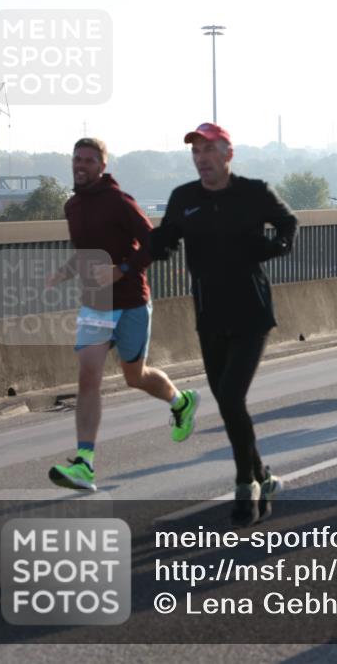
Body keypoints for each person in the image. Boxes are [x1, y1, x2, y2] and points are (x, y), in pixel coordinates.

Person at [150, 123, 297, 527]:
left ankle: (243, 485)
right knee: (228, 404)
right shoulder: (184, 198)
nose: (201, 159)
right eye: (195, 152)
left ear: (227, 154)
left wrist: (272, 248)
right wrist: (149, 249)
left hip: (251, 312)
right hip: (209, 314)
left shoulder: (254, 192)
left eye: (208, 150)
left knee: (231, 396)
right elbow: (165, 238)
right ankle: (263, 477)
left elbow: (288, 225)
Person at [46, 138, 200, 492]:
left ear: (101, 166)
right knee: (88, 377)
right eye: (76, 159)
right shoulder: (72, 207)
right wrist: (64, 272)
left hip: (130, 302)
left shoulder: (120, 203)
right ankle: (84, 462)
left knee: (135, 376)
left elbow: (155, 243)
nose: (80, 165)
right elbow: (86, 253)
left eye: (88, 160)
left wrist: (123, 269)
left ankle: (181, 401)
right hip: (95, 304)